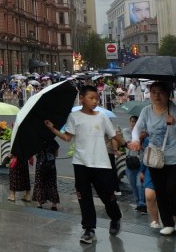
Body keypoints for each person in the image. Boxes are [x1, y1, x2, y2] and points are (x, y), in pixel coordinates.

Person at [45, 85, 122, 244]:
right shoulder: (74, 117)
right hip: (80, 163)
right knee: (84, 197)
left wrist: (128, 144)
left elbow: (114, 135)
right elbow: (67, 138)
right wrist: (53, 129)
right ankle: (88, 229)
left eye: (96, 98)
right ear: (82, 99)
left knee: (107, 196)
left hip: (101, 163)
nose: (95, 101)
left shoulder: (102, 117)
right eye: (91, 98)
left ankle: (115, 217)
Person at [128, 81, 176, 236]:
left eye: (161, 92)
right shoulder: (146, 111)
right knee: (160, 191)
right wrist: (136, 140)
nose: (157, 96)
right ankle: (167, 223)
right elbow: (137, 129)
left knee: (173, 187)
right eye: (153, 92)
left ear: (168, 94)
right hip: (155, 158)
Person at [138, 134, 161, 229]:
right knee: (149, 196)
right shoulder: (149, 139)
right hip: (151, 167)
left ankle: (172, 222)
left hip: (171, 166)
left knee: (170, 196)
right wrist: (142, 170)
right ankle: (156, 220)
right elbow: (146, 155)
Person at [124, 115, 146, 214]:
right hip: (130, 161)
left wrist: (141, 137)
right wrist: (140, 137)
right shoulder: (127, 131)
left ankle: (142, 204)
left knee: (139, 184)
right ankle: (138, 203)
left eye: (135, 122)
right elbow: (131, 144)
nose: (133, 123)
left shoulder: (144, 132)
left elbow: (144, 147)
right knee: (133, 184)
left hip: (141, 161)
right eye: (132, 121)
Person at [33, 137, 60, 210]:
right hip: (51, 166)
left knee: (39, 183)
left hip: (40, 166)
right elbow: (57, 154)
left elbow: (35, 153)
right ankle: (54, 205)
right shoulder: (53, 142)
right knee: (52, 184)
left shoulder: (38, 142)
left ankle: (39, 203)